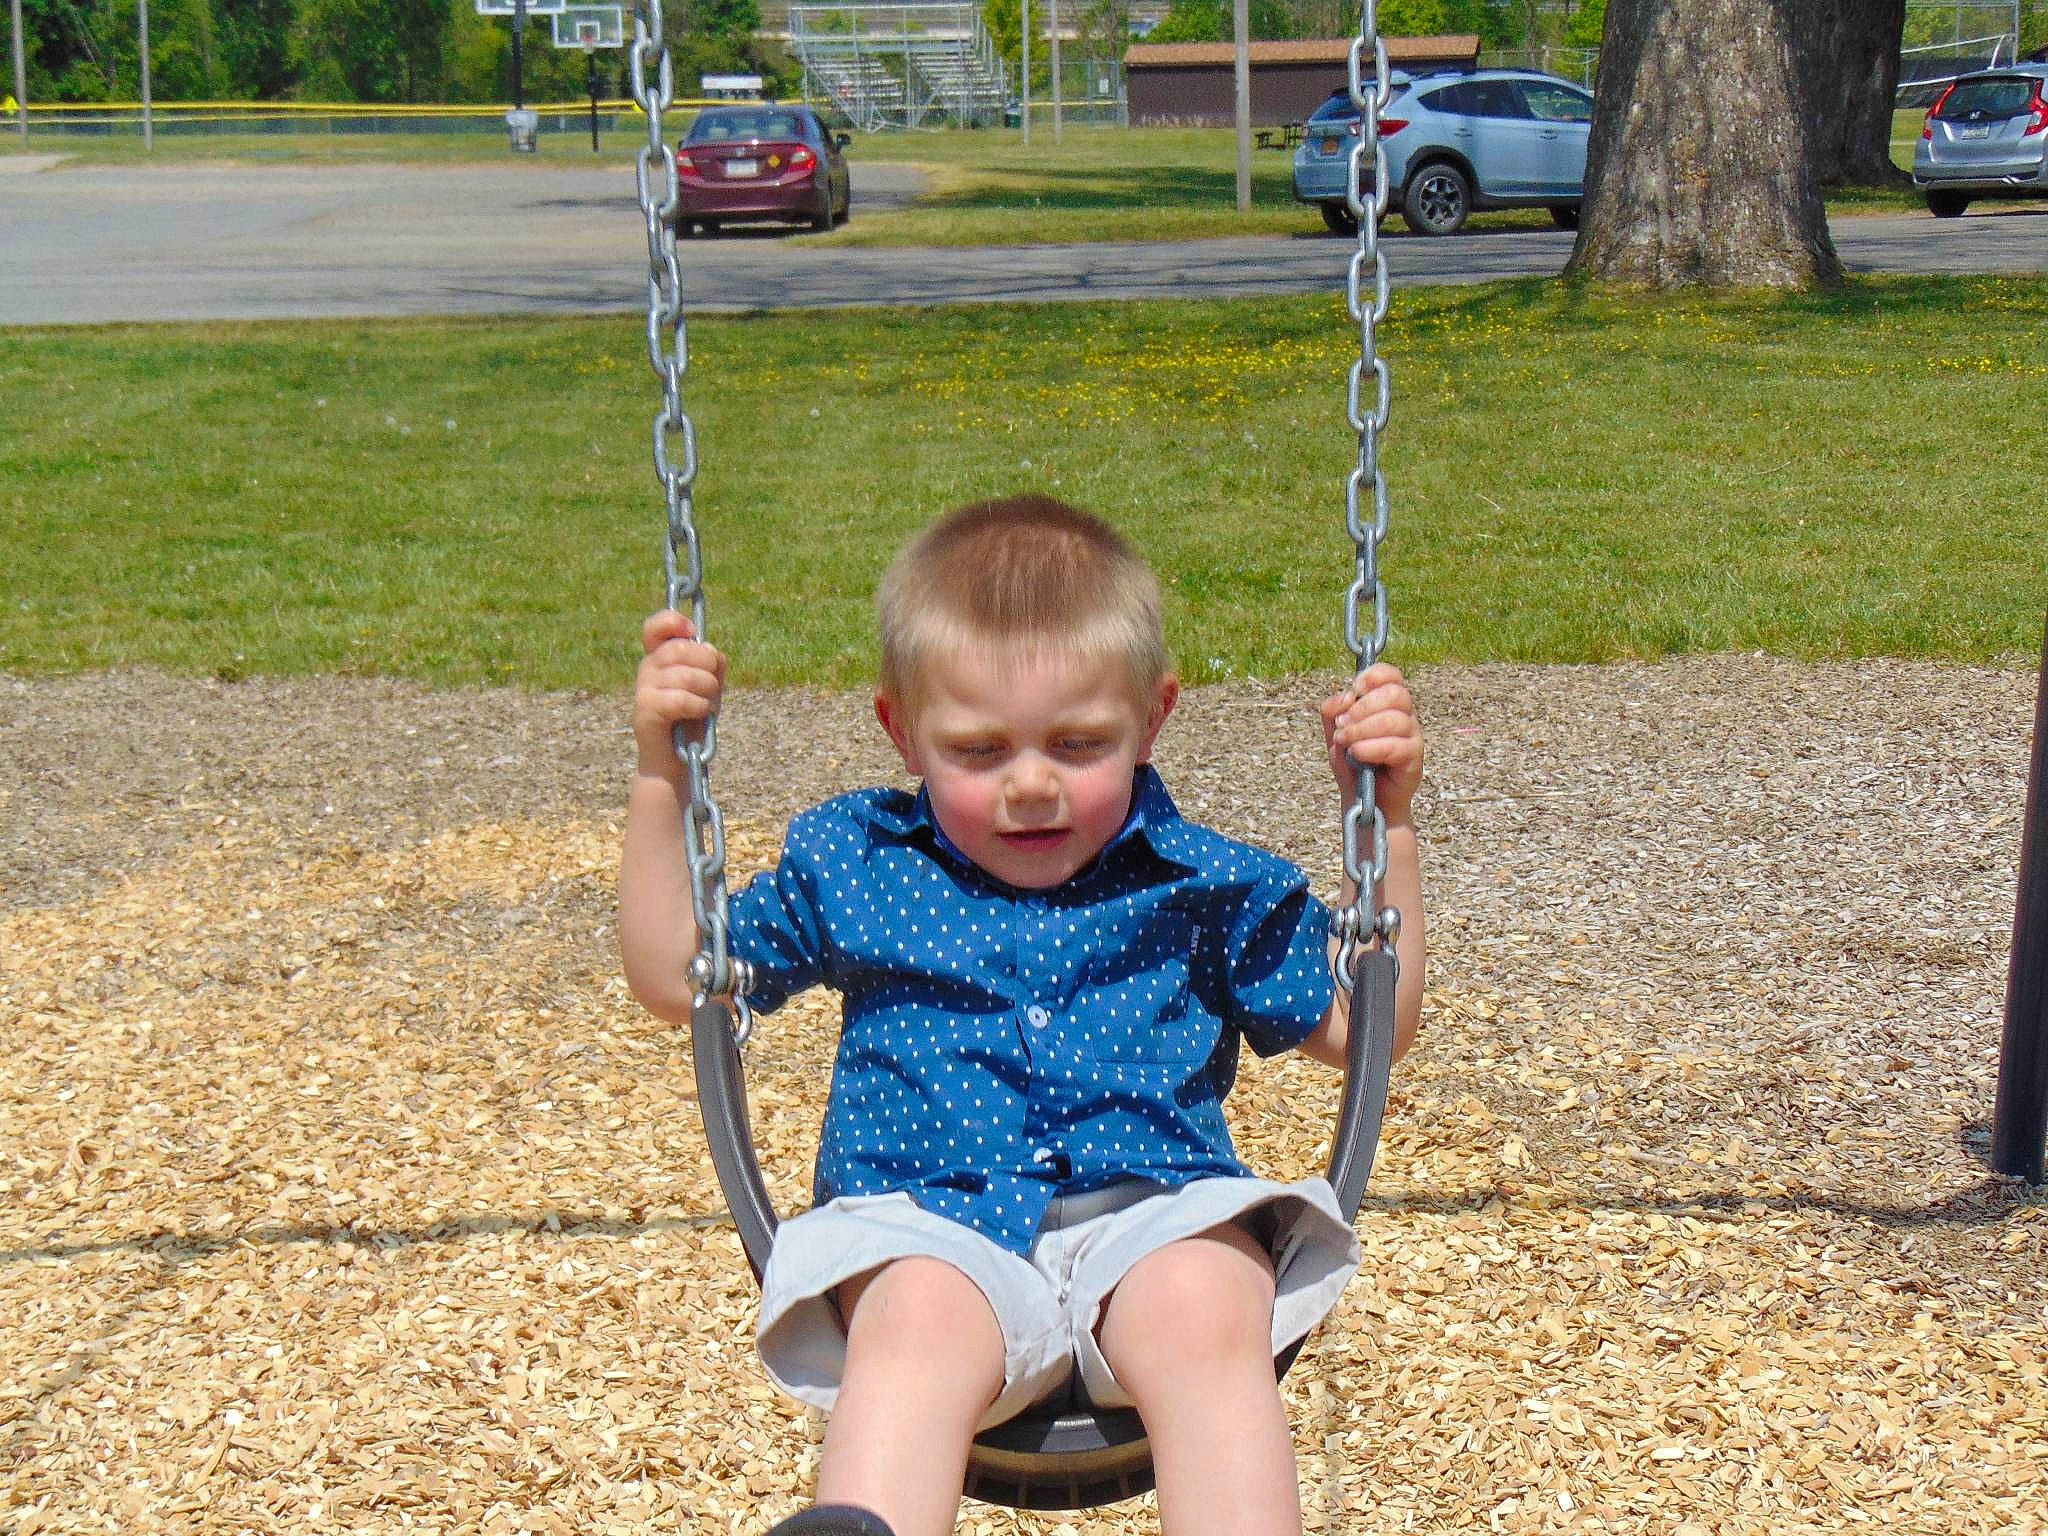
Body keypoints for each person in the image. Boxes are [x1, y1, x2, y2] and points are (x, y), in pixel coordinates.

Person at [620, 496, 1425, 1536]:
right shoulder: (856, 865)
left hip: (1150, 1209)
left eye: (1078, 743)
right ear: (900, 733)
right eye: (980, 750)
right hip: (927, 1221)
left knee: (1204, 1296)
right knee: (911, 1321)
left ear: (1153, 717)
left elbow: (1367, 1030)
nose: (1031, 785)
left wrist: (1387, 825)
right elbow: (675, 972)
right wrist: (658, 779)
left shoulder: (1204, 882)